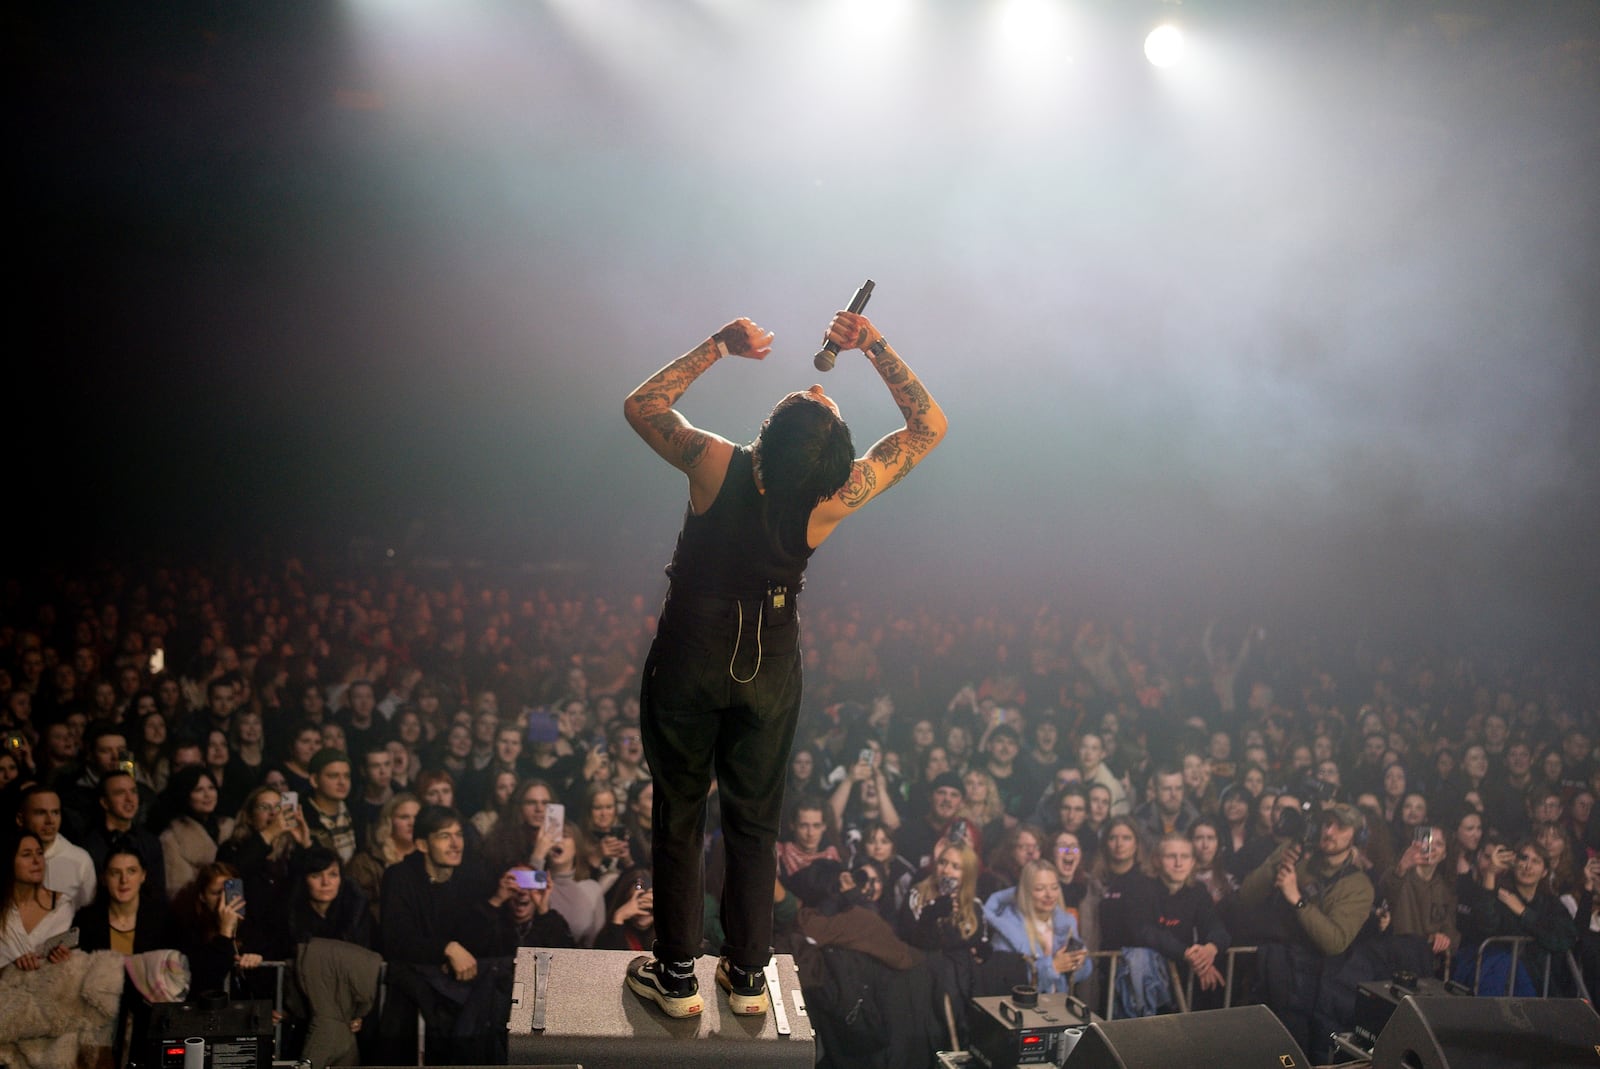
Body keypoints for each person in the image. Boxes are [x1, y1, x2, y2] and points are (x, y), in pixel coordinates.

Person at [621, 307, 946, 1019]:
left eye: (811, 398)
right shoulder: (832, 498)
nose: (819, 389)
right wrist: (877, 347)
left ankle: (676, 978)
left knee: (680, 811)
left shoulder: (716, 462)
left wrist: (717, 346)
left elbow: (642, 405)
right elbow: (928, 428)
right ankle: (744, 976)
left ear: (768, 436)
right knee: (754, 820)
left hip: (691, 650)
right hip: (767, 662)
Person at [1235, 803, 1376, 1063]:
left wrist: (1296, 899)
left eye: (1340, 826)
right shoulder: (1301, 861)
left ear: (1355, 836)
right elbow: (1247, 896)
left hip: (1318, 989)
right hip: (1277, 974)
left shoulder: (1358, 885)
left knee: (1299, 1056)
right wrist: (1278, 860)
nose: (1329, 831)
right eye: (1326, 823)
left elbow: (1334, 941)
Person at [983, 859, 1093, 993]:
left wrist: (1078, 962)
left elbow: (1079, 975)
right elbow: (1003, 980)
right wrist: (1052, 967)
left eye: (1054, 887)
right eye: (1040, 888)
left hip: (1055, 1007)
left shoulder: (1066, 923)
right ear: (1026, 891)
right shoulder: (1007, 927)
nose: (1049, 895)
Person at [0, 828, 75, 970]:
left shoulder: (62, 905)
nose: (36, 861)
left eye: (40, 853)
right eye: (26, 855)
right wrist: (11, 968)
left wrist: (63, 959)